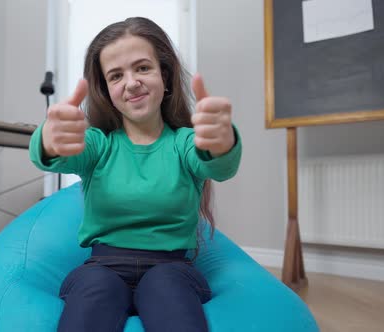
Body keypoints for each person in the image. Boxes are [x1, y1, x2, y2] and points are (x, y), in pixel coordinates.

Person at [29, 16, 242, 332]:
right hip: (102, 267)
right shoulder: (98, 145)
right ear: (106, 90)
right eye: (116, 76)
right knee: (95, 291)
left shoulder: (185, 143)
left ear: (165, 76)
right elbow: (53, 156)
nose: (131, 82)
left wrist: (223, 141)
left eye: (143, 68)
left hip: (171, 267)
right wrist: (49, 138)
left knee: (165, 287)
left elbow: (217, 165)